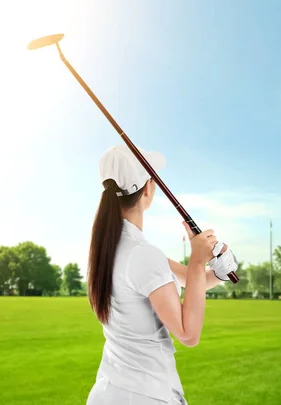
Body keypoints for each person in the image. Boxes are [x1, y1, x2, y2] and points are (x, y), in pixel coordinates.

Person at [85, 144, 236, 404]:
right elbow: (189, 334)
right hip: (146, 395)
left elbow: (190, 279)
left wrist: (219, 272)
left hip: (109, 391)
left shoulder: (110, 247)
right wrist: (198, 258)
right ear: (148, 190)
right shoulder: (143, 254)